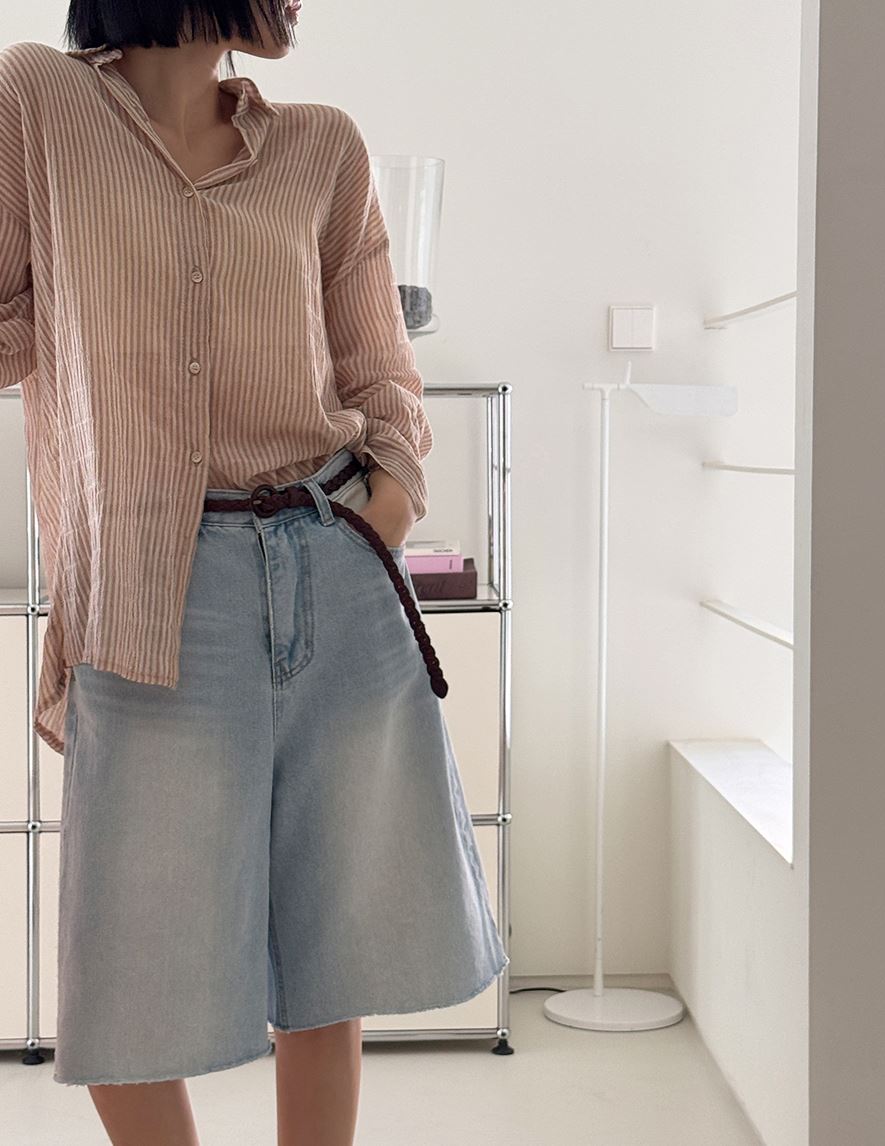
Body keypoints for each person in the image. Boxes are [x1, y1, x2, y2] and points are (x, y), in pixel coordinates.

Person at [0, 3, 510, 1143]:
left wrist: (381, 515)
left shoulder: (322, 146)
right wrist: (69, 298)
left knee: (330, 958)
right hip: (153, 592)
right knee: (126, 983)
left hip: (332, 565)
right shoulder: (37, 100)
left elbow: (382, 375)